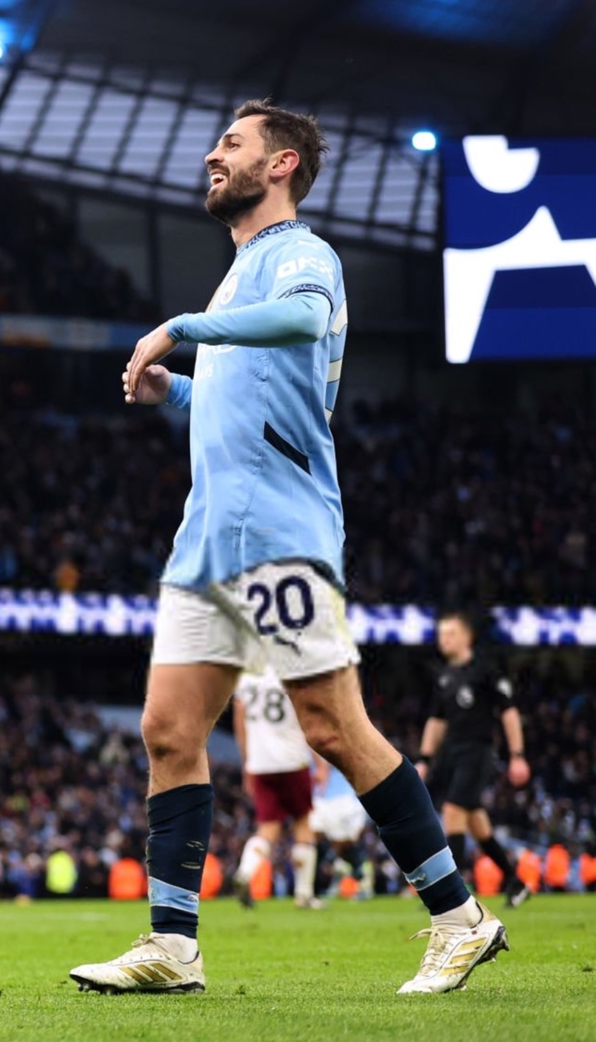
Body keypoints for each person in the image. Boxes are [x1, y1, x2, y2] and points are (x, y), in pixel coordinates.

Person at [69, 100, 506, 997]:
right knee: (168, 730)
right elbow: (246, 397)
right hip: (207, 540)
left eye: (232, 144)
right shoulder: (237, 279)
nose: (211, 155)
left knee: (333, 728)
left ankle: (460, 919)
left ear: (281, 165)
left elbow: (304, 322)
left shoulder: (301, 254)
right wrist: (174, 392)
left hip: (278, 530)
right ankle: (173, 946)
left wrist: (181, 329)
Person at [418, 612, 532, 907]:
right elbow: (436, 720)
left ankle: (450, 895)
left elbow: (508, 711)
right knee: (478, 824)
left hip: (478, 752)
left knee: (452, 811)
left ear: (467, 637)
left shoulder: (485, 670)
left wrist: (517, 755)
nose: (444, 640)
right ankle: (516, 882)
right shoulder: (444, 676)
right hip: (452, 754)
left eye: (451, 633)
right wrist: (425, 758)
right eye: (441, 634)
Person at [230, 669, 321, 909]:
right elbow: (308, 719)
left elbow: (240, 722)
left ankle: (245, 872)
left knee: (268, 827)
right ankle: (304, 895)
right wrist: (320, 762)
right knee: (303, 823)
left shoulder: (246, 676)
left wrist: (247, 763)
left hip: (261, 763)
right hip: (293, 760)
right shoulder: (292, 671)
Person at [309, 756, 375, 901]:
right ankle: (310, 889)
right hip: (320, 800)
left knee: (343, 844)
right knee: (311, 839)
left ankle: (360, 877)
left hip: (344, 800)